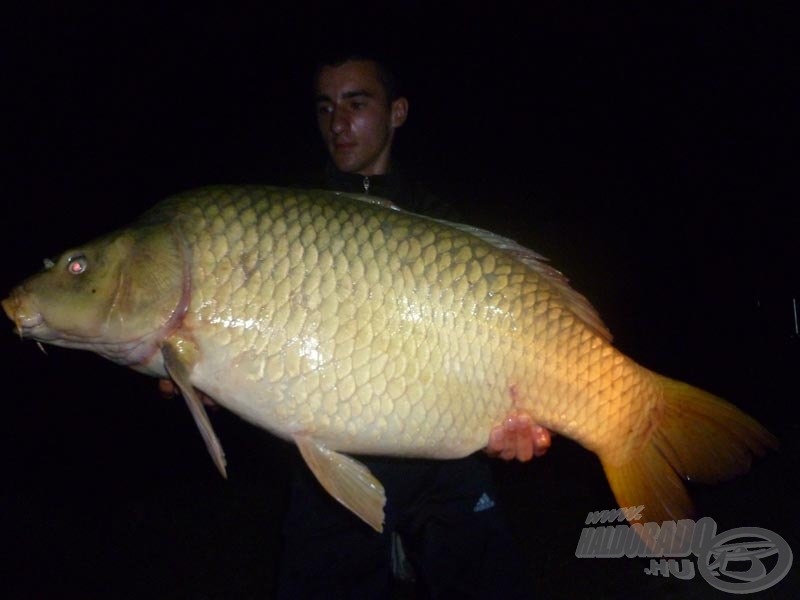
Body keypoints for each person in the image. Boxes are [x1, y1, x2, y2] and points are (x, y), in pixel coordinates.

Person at [274, 53, 552, 599]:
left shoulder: (441, 225)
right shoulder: (289, 221)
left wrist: (506, 421)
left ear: (397, 113)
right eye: (326, 107)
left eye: (357, 103)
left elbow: (483, 356)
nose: (338, 122)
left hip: (442, 466)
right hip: (333, 463)